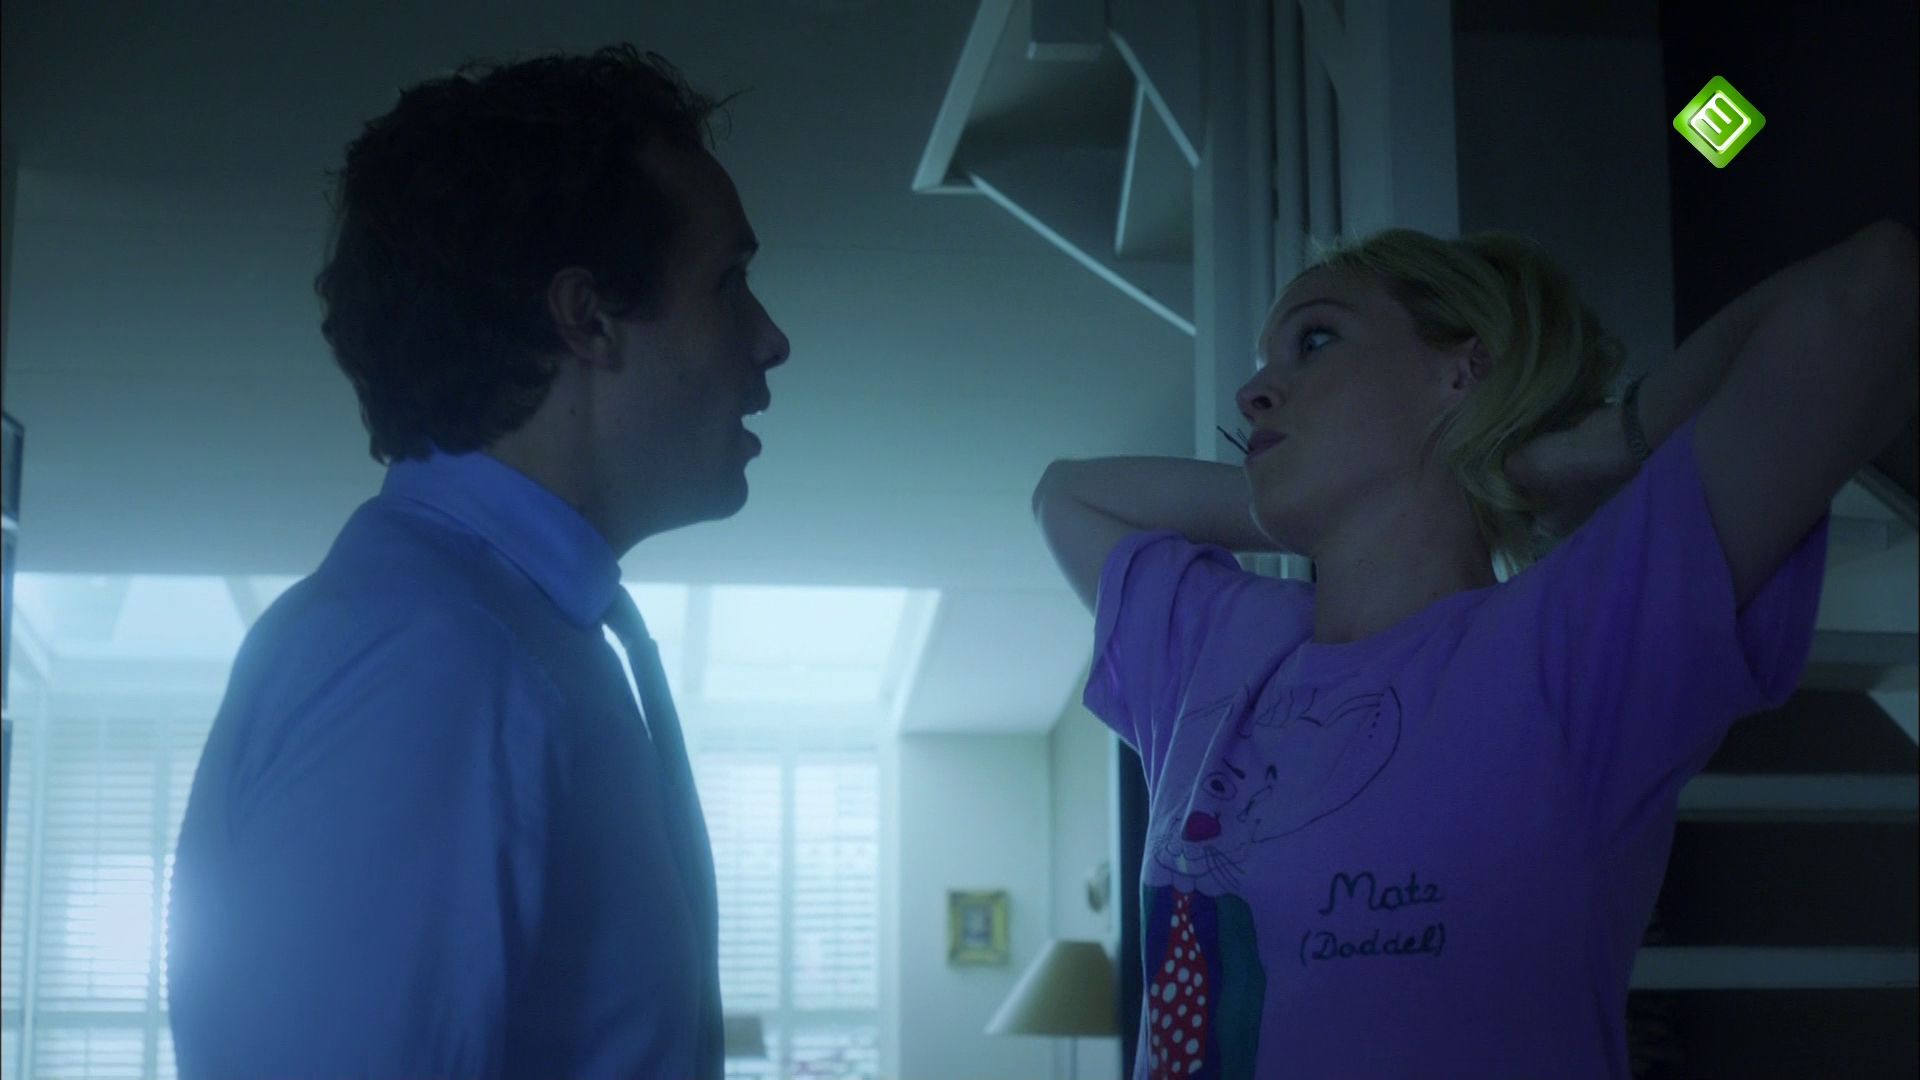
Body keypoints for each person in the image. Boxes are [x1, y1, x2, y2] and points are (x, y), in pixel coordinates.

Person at [1034, 222, 1917, 1078]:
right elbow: (1066, 496)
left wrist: (1595, 443)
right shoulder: (1222, 653)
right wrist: (1393, 481)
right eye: (1268, 360)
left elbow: (1872, 293)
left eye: (1314, 340)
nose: (1254, 391)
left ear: (1462, 373)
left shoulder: (1569, 642)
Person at [166, 44, 789, 1079]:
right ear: (587, 318)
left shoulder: (505, 636)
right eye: (729, 283)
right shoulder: (432, 659)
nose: (770, 340)